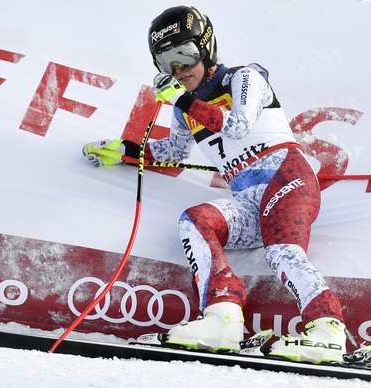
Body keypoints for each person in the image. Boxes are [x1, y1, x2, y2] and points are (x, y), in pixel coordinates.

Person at [82, 5, 347, 364]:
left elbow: (237, 125)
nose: (178, 70)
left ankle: (327, 329)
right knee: (195, 220)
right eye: (165, 62)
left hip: (287, 177)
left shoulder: (244, 77)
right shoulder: (183, 108)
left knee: (281, 251)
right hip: (249, 197)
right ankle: (222, 317)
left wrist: (183, 99)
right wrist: (126, 150)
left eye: (185, 56)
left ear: (206, 48)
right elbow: (173, 151)